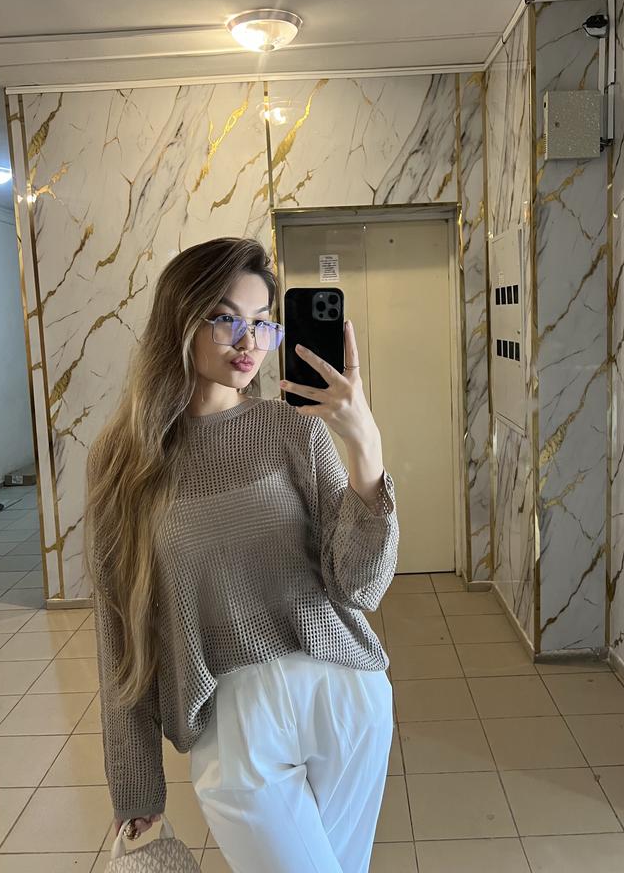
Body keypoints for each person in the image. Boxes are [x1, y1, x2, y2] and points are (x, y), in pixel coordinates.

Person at [85, 237, 399, 873]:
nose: (249, 341)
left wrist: (365, 448)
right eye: (226, 318)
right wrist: (135, 789)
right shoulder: (123, 462)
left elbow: (359, 587)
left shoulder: (296, 430)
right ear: (181, 320)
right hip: (233, 725)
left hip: (343, 695)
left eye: (262, 323)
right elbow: (119, 632)